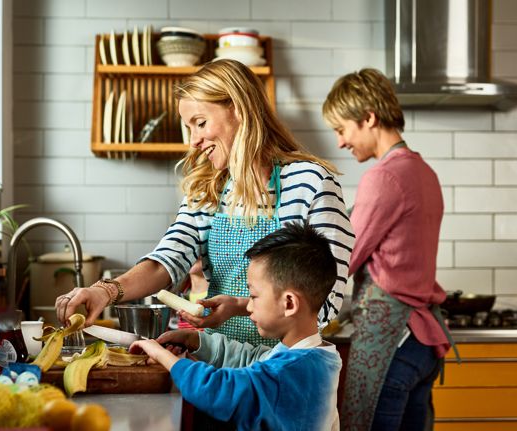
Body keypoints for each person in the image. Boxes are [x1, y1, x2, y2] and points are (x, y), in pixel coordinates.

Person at [56, 59, 354, 348]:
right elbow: (167, 260)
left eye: (200, 123)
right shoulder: (209, 189)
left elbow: (325, 300)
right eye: (189, 128)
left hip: (284, 370)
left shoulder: (311, 182)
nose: (193, 141)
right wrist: (104, 292)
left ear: (238, 110)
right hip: (219, 365)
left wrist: (244, 312)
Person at [321, 68, 456, 431]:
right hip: (422, 343)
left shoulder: (384, 177)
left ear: (368, 118)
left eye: (341, 129)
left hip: (392, 340)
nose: (340, 142)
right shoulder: (424, 172)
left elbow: (343, 258)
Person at [131, 222, 342, 431]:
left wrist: (162, 355)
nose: (248, 306)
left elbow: (218, 389)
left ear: (289, 304)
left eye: (253, 296)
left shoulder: (290, 370)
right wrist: (194, 340)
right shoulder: (314, 356)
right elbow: (249, 358)